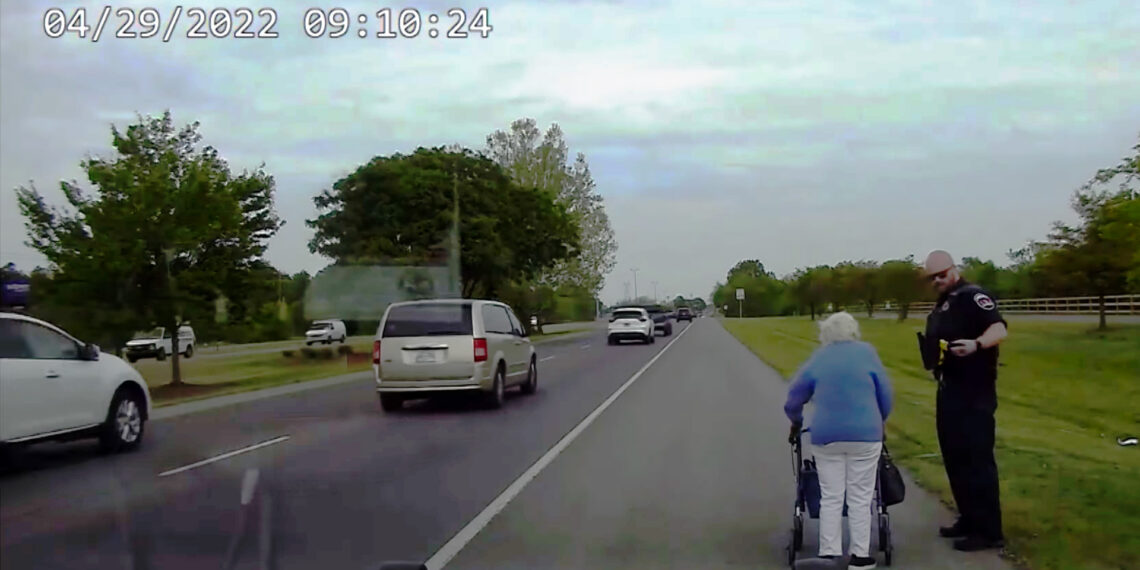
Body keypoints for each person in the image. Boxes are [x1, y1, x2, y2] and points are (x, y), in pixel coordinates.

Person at [785, 311, 893, 569]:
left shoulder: (819, 358)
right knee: (861, 495)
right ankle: (860, 556)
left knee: (831, 495)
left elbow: (793, 399)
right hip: (866, 435)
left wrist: (797, 420)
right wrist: (879, 419)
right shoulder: (867, 353)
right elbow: (885, 394)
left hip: (827, 436)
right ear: (854, 331)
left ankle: (829, 553)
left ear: (825, 334)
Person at [921, 250, 1008, 551]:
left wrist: (976, 344)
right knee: (955, 457)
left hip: (975, 389)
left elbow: (999, 328)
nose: (937, 281)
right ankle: (969, 518)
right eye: (932, 278)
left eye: (941, 275)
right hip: (950, 388)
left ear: (953, 269)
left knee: (977, 458)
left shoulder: (974, 296)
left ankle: (989, 530)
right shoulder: (945, 302)